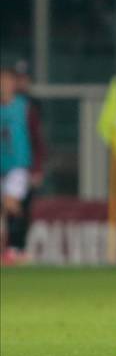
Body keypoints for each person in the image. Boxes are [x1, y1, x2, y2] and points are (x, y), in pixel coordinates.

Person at [0, 67, 45, 265]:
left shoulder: (25, 108)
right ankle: (15, 249)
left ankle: (15, 247)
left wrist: (37, 168)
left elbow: (37, 139)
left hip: (19, 165)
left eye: (7, 81)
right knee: (10, 208)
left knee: (11, 204)